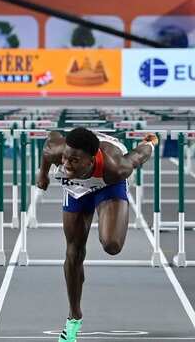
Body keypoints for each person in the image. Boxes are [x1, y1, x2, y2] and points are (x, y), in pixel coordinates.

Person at [37, 127, 159, 342]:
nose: (65, 164)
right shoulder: (58, 151)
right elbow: (48, 148)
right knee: (73, 251)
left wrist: (149, 143)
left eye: (74, 160)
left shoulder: (116, 168)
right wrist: (42, 175)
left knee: (112, 245)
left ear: (91, 160)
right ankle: (74, 318)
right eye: (65, 158)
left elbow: (138, 157)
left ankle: (108, 215)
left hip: (107, 186)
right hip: (75, 189)